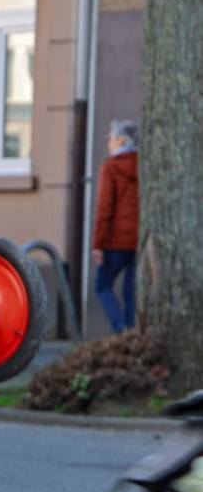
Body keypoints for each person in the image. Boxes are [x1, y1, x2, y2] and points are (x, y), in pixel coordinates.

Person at [92, 119, 140, 333]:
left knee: (102, 286)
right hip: (140, 240)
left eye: (110, 138)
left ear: (121, 140)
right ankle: (132, 332)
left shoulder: (110, 167)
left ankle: (121, 329)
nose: (108, 142)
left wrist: (98, 244)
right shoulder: (145, 165)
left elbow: (105, 209)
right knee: (130, 291)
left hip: (116, 242)